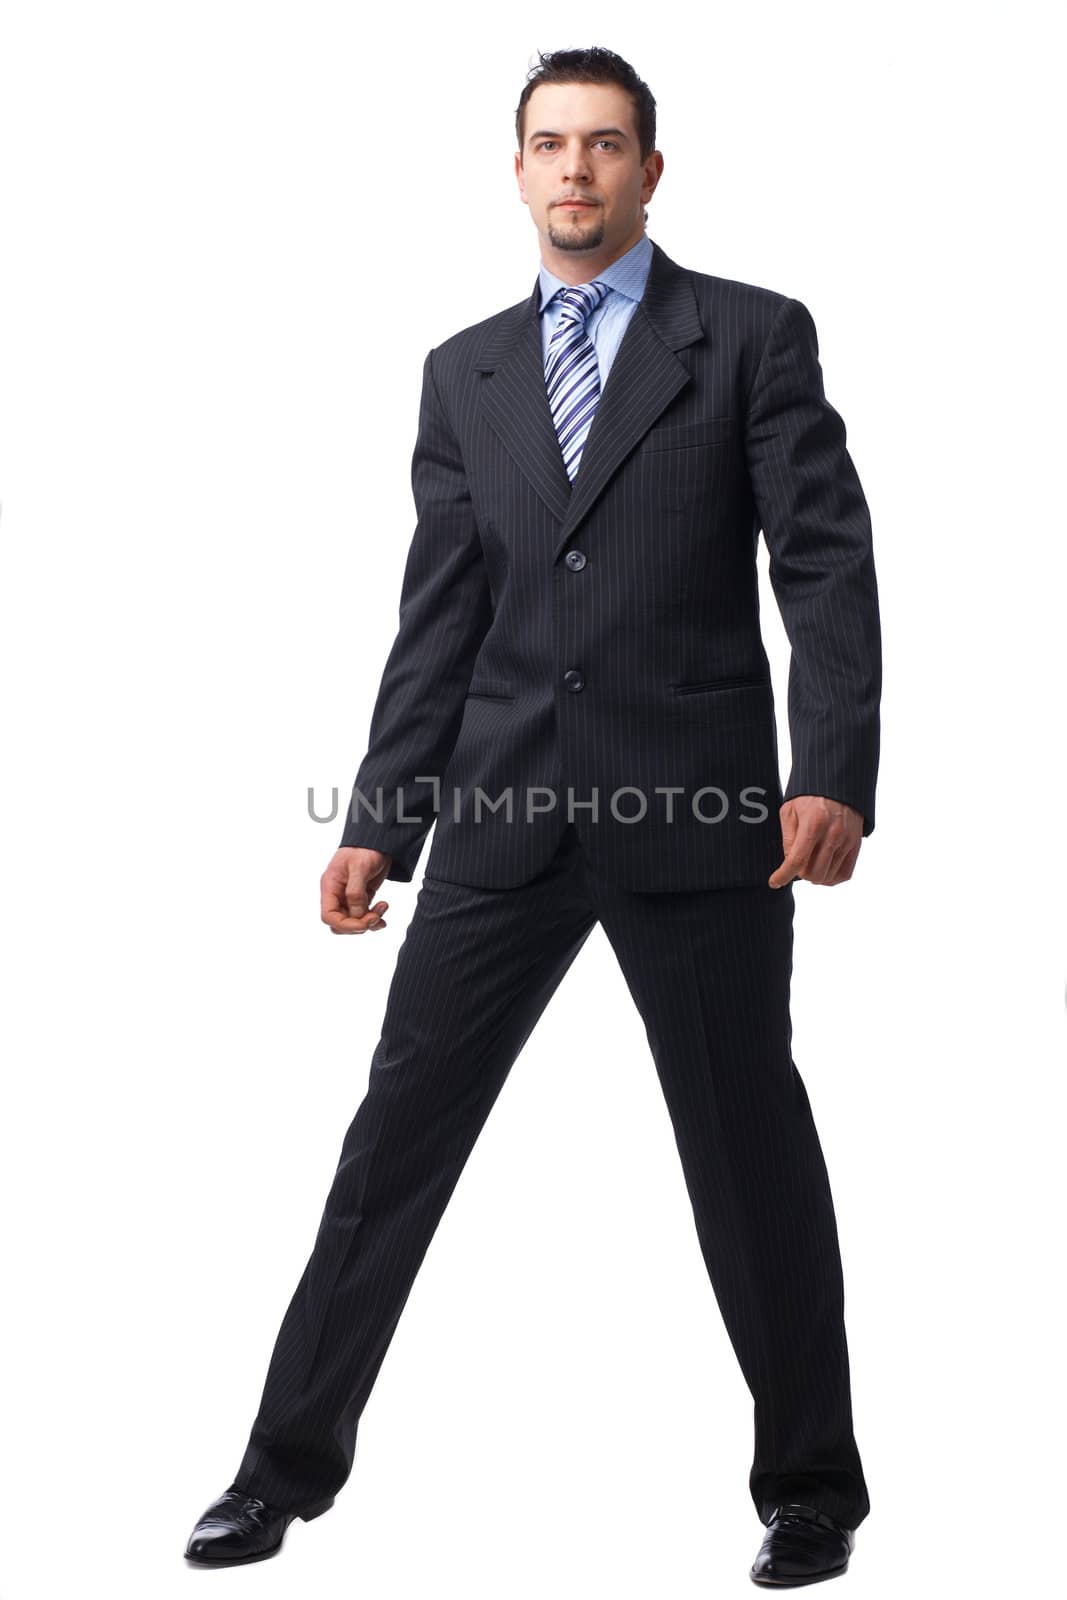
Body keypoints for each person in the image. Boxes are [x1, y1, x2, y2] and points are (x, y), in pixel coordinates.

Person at [185, 45, 880, 1588]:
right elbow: (442, 615)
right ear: (516, 171)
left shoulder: (752, 339)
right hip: (500, 815)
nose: (577, 171)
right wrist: (384, 817)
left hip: (701, 816)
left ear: (650, 170)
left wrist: (830, 763)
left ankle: (813, 1490)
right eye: (550, 145)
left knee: (748, 1151)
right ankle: (277, 1474)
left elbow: (821, 563)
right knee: (392, 1149)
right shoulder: (466, 371)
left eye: (607, 145)